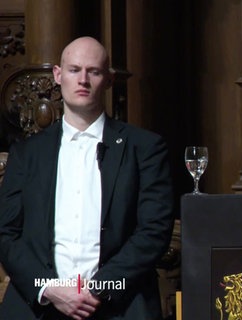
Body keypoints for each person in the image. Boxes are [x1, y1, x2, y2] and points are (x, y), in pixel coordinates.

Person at [0, 36, 174, 320]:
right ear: (58, 75)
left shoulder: (145, 148)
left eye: (93, 71)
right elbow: (6, 234)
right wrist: (49, 288)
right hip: (39, 307)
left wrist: (100, 288)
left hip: (120, 305)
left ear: (108, 79)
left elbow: (154, 231)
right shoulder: (27, 153)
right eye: (74, 70)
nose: (83, 79)